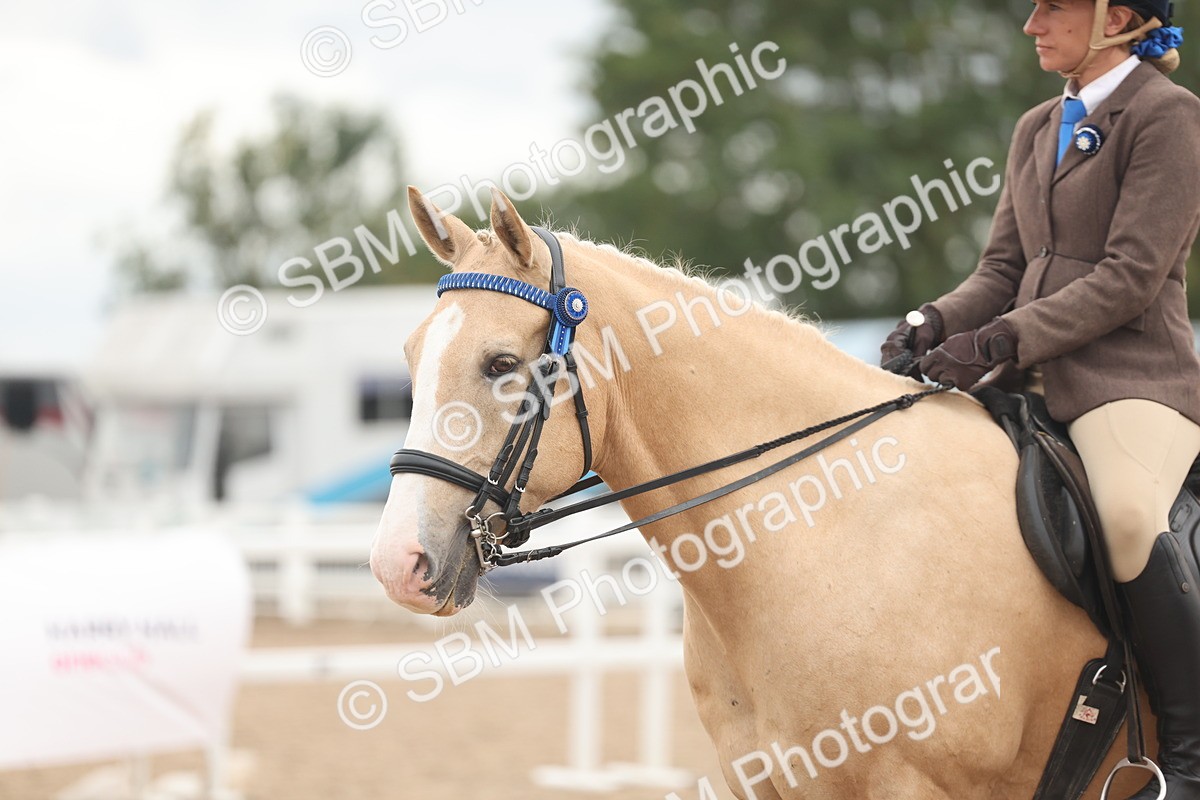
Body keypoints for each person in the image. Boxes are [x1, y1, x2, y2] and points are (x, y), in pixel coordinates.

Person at [880, 1, 1199, 797]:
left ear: (1118, 17)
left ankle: (1192, 752)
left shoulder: (1170, 118)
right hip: (1022, 379)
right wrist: (932, 322)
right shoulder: (1035, 126)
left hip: (1130, 380)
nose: (1031, 24)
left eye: (1054, 7)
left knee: (1128, 518)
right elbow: (1001, 270)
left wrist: (1004, 340)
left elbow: (1129, 279)